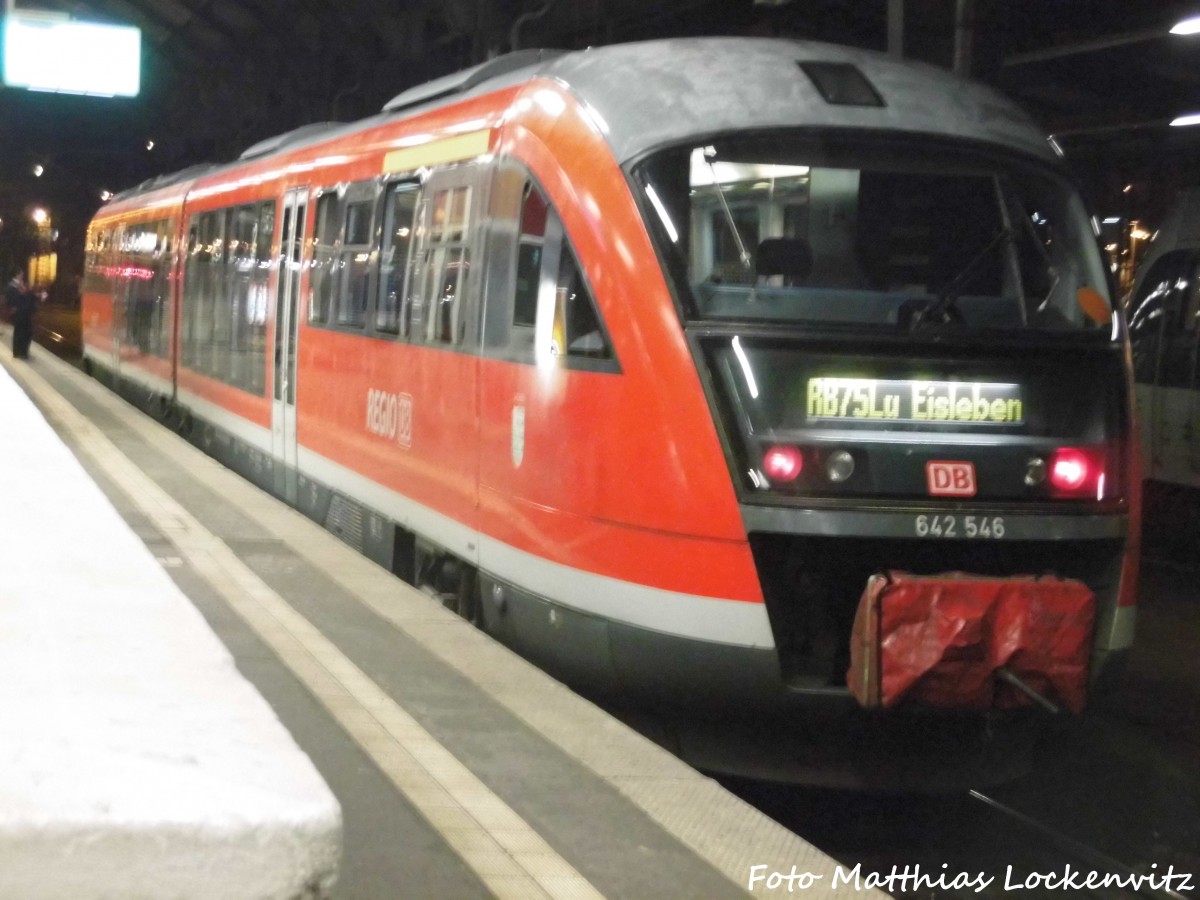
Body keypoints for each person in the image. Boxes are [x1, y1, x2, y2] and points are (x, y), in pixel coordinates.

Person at [5, 271, 36, 359]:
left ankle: (21, 351)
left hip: (23, 313)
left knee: (23, 332)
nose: (22, 276)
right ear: (17, 275)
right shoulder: (14, 286)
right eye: (21, 274)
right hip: (20, 313)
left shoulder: (19, 285)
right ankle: (20, 352)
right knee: (22, 333)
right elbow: (15, 298)